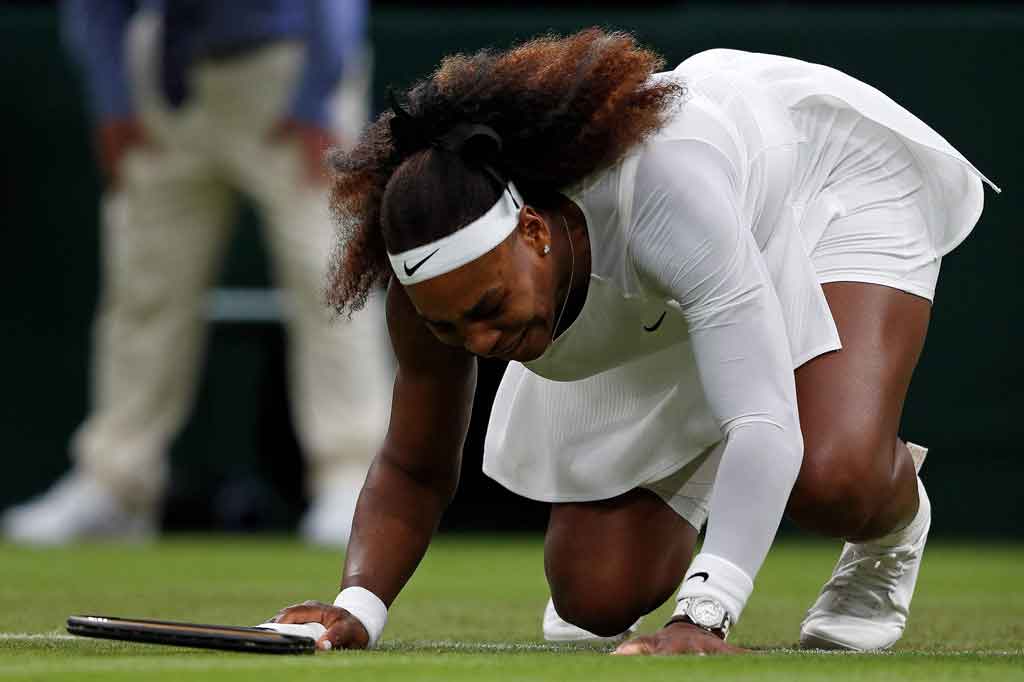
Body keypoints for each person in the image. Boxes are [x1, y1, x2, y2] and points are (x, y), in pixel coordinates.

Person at [272, 30, 998, 652]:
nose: (480, 341)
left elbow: (762, 419)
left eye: (490, 307)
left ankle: (889, 531)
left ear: (532, 233)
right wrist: (358, 605)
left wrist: (703, 614)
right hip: (672, 287)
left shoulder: (665, 188)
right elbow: (415, 465)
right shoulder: (436, 286)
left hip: (822, 181)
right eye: (453, 327)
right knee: (595, 595)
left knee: (831, 476)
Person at [1, 0, 391, 547]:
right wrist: (113, 98)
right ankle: (116, 484)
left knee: (332, 285)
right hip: (164, 79)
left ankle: (357, 483)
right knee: (144, 289)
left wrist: (316, 91)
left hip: (290, 66)